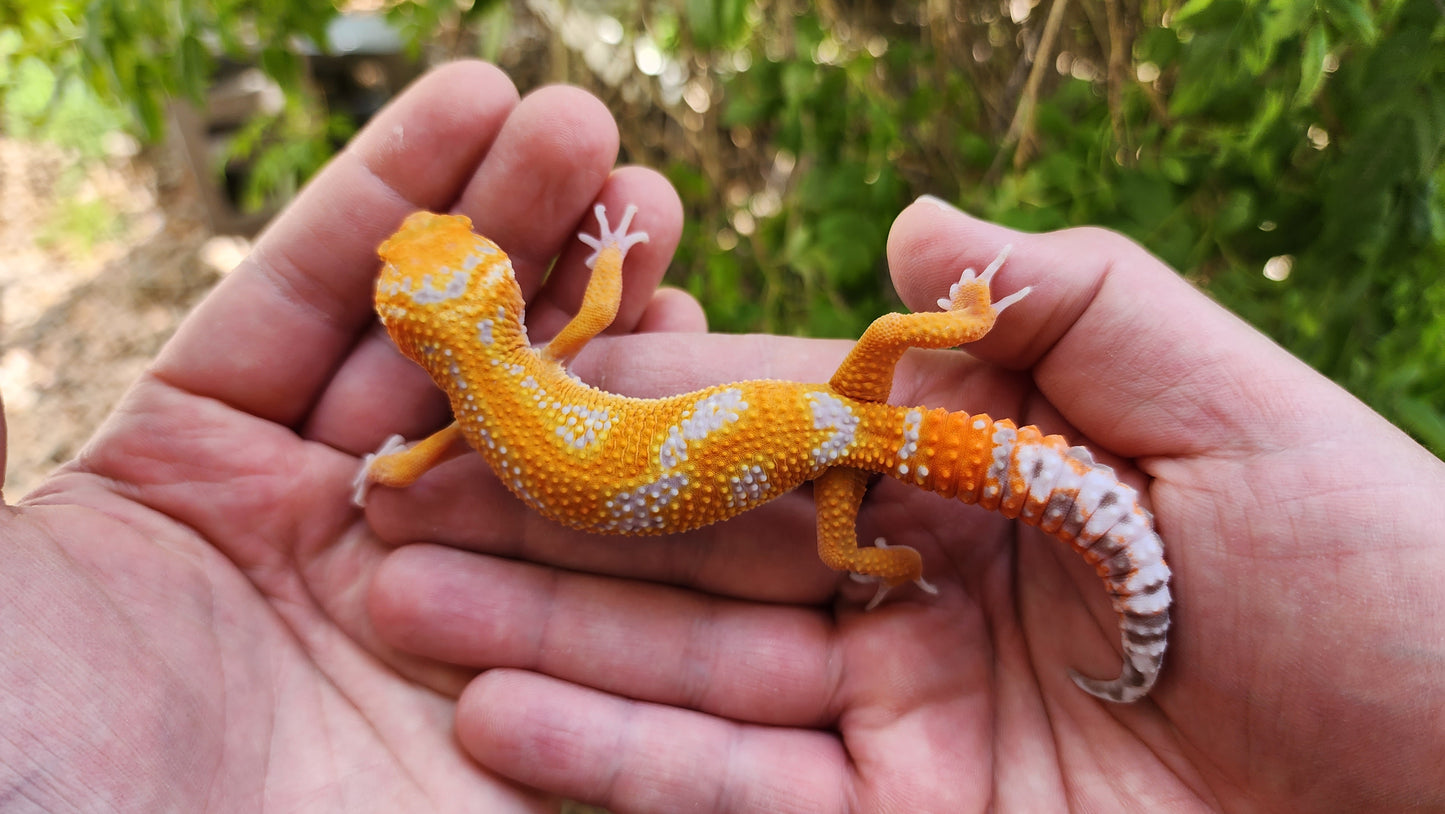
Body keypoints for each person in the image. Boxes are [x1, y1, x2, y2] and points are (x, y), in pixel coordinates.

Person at [2, 60, 1441, 813]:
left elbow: (421, 453)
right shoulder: (525, 353)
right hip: (804, 427)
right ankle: (962, 486)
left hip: (793, 453)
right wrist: (962, 329)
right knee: (879, 380)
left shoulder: (468, 404)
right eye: (426, 263)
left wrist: (381, 467)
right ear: (479, 298)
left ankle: (904, 556)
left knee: (848, 489)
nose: (429, 249)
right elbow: (611, 297)